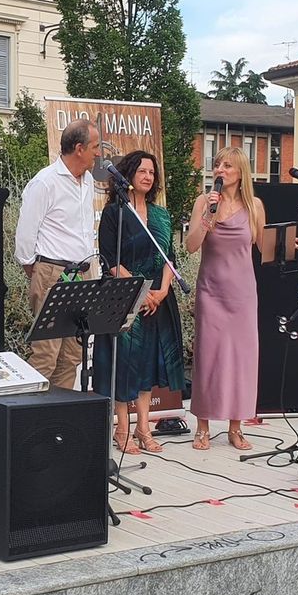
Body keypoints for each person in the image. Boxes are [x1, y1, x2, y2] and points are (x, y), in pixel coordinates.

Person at [92, 151, 184, 454]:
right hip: (125, 297)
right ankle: (122, 428)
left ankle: (144, 428)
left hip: (158, 298)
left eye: (152, 173)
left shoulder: (161, 215)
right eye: (142, 171)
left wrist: (162, 290)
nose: (148, 177)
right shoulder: (114, 213)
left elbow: (169, 257)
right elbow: (111, 260)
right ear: (129, 174)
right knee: (124, 363)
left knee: (147, 365)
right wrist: (141, 292)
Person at [185, 146, 265, 451]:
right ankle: (202, 427)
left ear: (241, 172)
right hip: (211, 292)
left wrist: (288, 245)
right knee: (209, 358)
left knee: (242, 360)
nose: (220, 170)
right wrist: (209, 214)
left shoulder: (254, 206)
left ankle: (236, 427)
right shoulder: (204, 201)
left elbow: (263, 246)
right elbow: (191, 245)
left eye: (227, 166)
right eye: (218, 164)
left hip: (243, 295)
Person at [14, 119, 100, 389]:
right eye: (95, 147)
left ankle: (60, 411)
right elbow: (25, 234)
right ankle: (33, 412)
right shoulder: (45, 182)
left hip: (82, 273)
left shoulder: (87, 181)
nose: (99, 153)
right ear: (79, 148)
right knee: (46, 353)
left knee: (72, 355)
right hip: (53, 271)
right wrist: (38, 271)